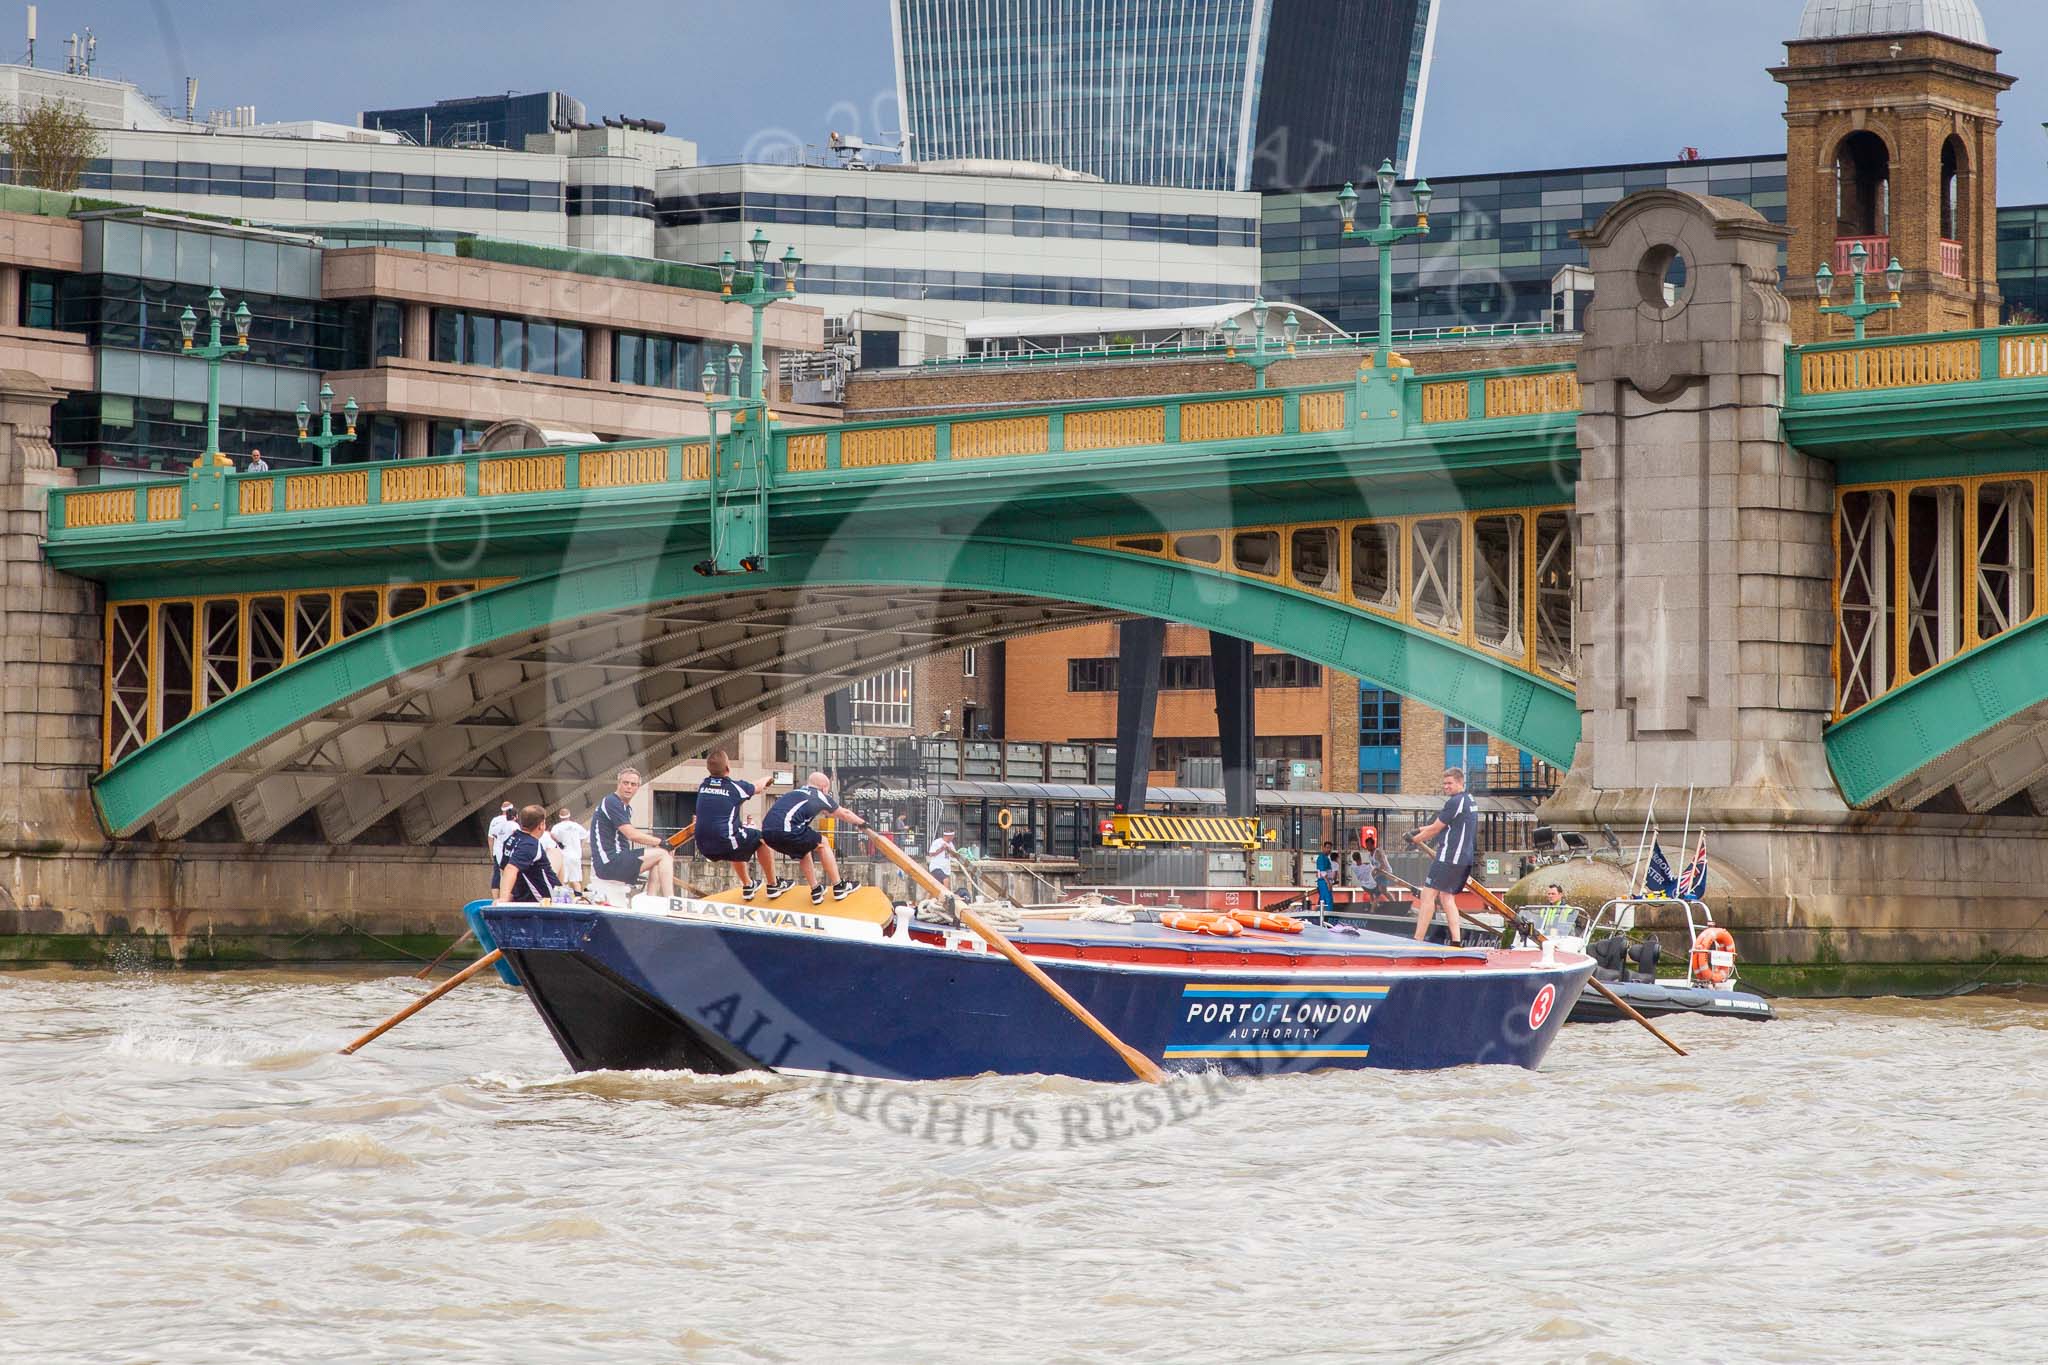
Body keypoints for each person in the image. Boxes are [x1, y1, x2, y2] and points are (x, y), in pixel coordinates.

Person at [762, 771, 867, 905]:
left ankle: (814, 890)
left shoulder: (795, 793)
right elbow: (844, 813)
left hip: (767, 834)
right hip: (788, 830)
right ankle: (839, 886)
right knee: (822, 842)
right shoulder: (819, 795)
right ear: (824, 788)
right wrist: (863, 824)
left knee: (804, 849)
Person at [692, 750, 779, 899]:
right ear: (728, 768)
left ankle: (748, 885)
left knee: (737, 836)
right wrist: (767, 778)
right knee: (763, 839)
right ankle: (773, 885)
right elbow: (757, 787)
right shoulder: (735, 788)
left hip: (703, 847)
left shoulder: (703, 786)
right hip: (725, 843)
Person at [1407, 767, 1478, 946]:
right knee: (1447, 897)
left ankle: (1418, 940)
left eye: (1449, 783)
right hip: (1464, 859)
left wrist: (1414, 840)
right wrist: (1417, 831)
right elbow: (1442, 825)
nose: (1446, 787)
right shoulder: (1469, 800)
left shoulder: (1455, 802)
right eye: (1444, 783)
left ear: (1460, 782)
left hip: (1449, 857)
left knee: (1427, 895)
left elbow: (1435, 828)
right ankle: (1456, 940)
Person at [590, 766, 676, 897]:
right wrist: (662, 842)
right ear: (618, 784)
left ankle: (650, 901)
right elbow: (631, 834)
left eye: (633, 784)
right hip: (609, 863)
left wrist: (659, 843)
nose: (629, 787)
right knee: (663, 854)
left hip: (615, 861)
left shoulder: (626, 808)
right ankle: (670, 900)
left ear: (637, 787)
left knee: (659, 859)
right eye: (625, 783)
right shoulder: (611, 801)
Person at [497, 804, 562, 904]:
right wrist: (504, 898)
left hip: (523, 896)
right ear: (541, 825)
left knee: (555, 852)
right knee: (556, 852)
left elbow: (504, 869)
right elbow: (510, 869)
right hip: (547, 899)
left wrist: (509, 895)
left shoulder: (512, 839)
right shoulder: (531, 845)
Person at [550, 805, 588, 897]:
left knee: (563, 880)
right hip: (575, 856)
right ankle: (578, 898)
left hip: (564, 856)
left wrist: (559, 843)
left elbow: (551, 834)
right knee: (575, 880)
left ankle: (563, 899)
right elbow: (585, 835)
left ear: (560, 817)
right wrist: (580, 846)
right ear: (569, 815)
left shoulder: (557, 827)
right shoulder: (576, 826)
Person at [485, 800, 518, 894]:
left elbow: (490, 838)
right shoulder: (512, 822)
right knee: (509, 875)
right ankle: (507, 897)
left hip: (497, 852)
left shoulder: (495, 821)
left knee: (497, 874)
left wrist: (491, 853)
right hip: (510, 853)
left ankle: (496, 898)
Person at [1314, 841, 1336, 915]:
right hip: (1324, 881)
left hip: (1324, 881)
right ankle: (1328, 916)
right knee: (1327, 900)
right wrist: (1328, 883)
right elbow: (1323, 872)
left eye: (1330, 848)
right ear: (1323, 848)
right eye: (1327, 848)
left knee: (1322, 899)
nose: (1329, 849)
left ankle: (1319, 914)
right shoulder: (1322, 858)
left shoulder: (1326, 858)